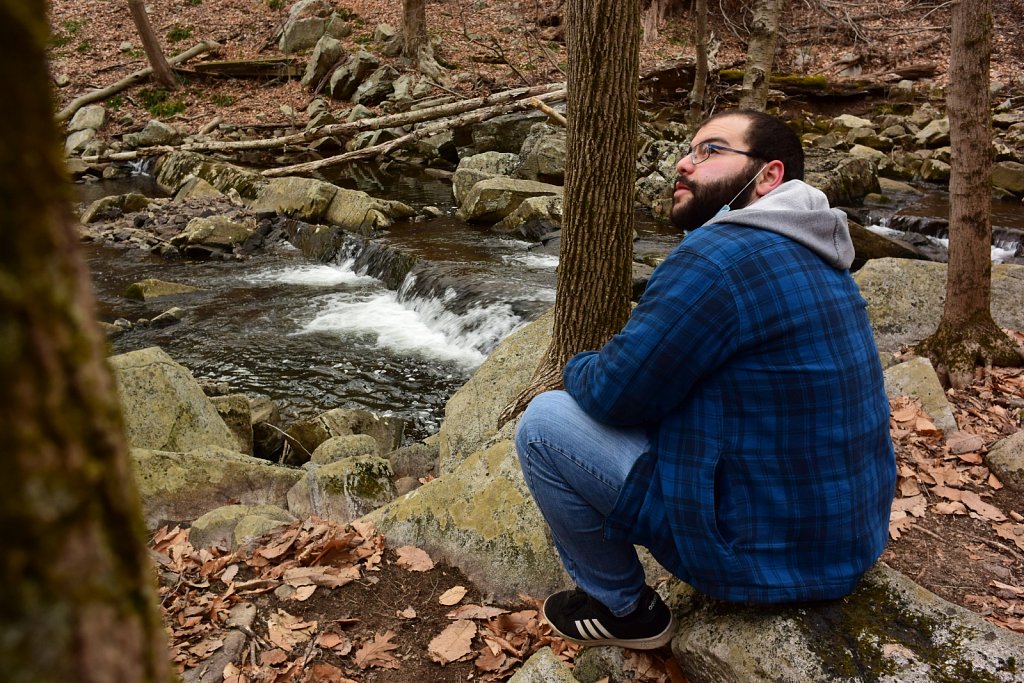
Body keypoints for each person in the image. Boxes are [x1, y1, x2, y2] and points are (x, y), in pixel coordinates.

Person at [514, 109, 896, 650]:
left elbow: (612, 392)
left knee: (546, 422)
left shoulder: (719, 257)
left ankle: (624, 610)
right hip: (845, 540)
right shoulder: (816, 248)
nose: (684, 163)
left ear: (768, 176)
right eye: (689, 150)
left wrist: (575, 364)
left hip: (760, 558)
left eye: (711, 150)